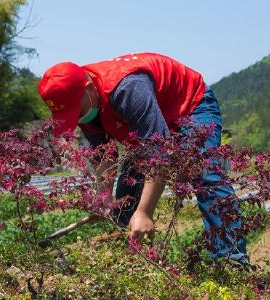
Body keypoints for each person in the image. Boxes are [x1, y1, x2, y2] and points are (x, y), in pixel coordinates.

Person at [38, 52, 249, 265]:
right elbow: (104, 154)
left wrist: (145, 212)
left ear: (89, 88)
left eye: (77, 111)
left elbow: (159, 153)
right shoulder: (80, 99)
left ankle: (232, 259)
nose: (78, 118)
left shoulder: (127, 88)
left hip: (190, 106)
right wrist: (103, 199)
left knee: (205, 174)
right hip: (148, 122)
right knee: (128, 189)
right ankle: (128, 258)